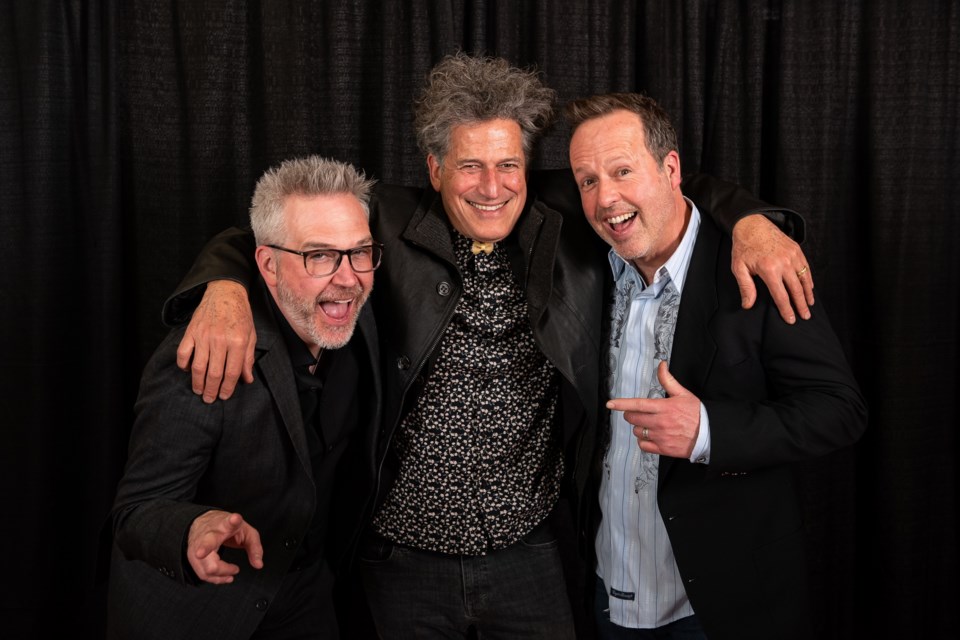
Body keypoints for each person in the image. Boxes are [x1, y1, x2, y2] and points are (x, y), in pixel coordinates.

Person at [163, 54, 815, 638]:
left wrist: (756, 223)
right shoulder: (384, 216)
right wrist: (221, 284)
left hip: (530, 553)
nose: (492, 185)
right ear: (434, 168)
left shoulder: (570, 211)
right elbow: (272, 232)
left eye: (508, 165)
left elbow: (676, 186)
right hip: (399, 558)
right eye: (469, 165)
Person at [564, 92, 868, 640]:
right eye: (587, 180)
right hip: (607, 599)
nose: (605, 197)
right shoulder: (587, 269)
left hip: (719, 606)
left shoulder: (755, 265)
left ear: (671, 168)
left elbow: (839, 410)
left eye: (623, 171)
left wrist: (709, 430)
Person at [107, 156, 382, 640]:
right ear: (268, 265)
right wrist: (191, 530)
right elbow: (137, 511)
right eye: (319, 255)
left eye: (359, 252)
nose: (347, 277)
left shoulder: (360, 326)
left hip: (308, 600)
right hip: (199, 615)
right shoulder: (208, 352)